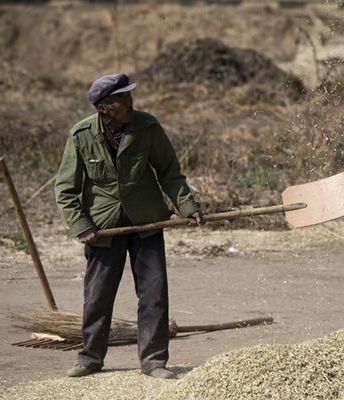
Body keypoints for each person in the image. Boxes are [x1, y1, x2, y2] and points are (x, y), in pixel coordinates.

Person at [54, 73, 202, 379]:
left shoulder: (147, 127)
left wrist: (188, 206)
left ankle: (154, 361)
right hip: (103, 226)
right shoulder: (81, 135)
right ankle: (90, 357)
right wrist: (81, 224)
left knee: (154, 293)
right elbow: (65, 189)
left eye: (129, 96)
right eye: (123, 99)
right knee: (98, 294)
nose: (131, 102)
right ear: (105, 107)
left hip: (146, 220)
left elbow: (170, 173)